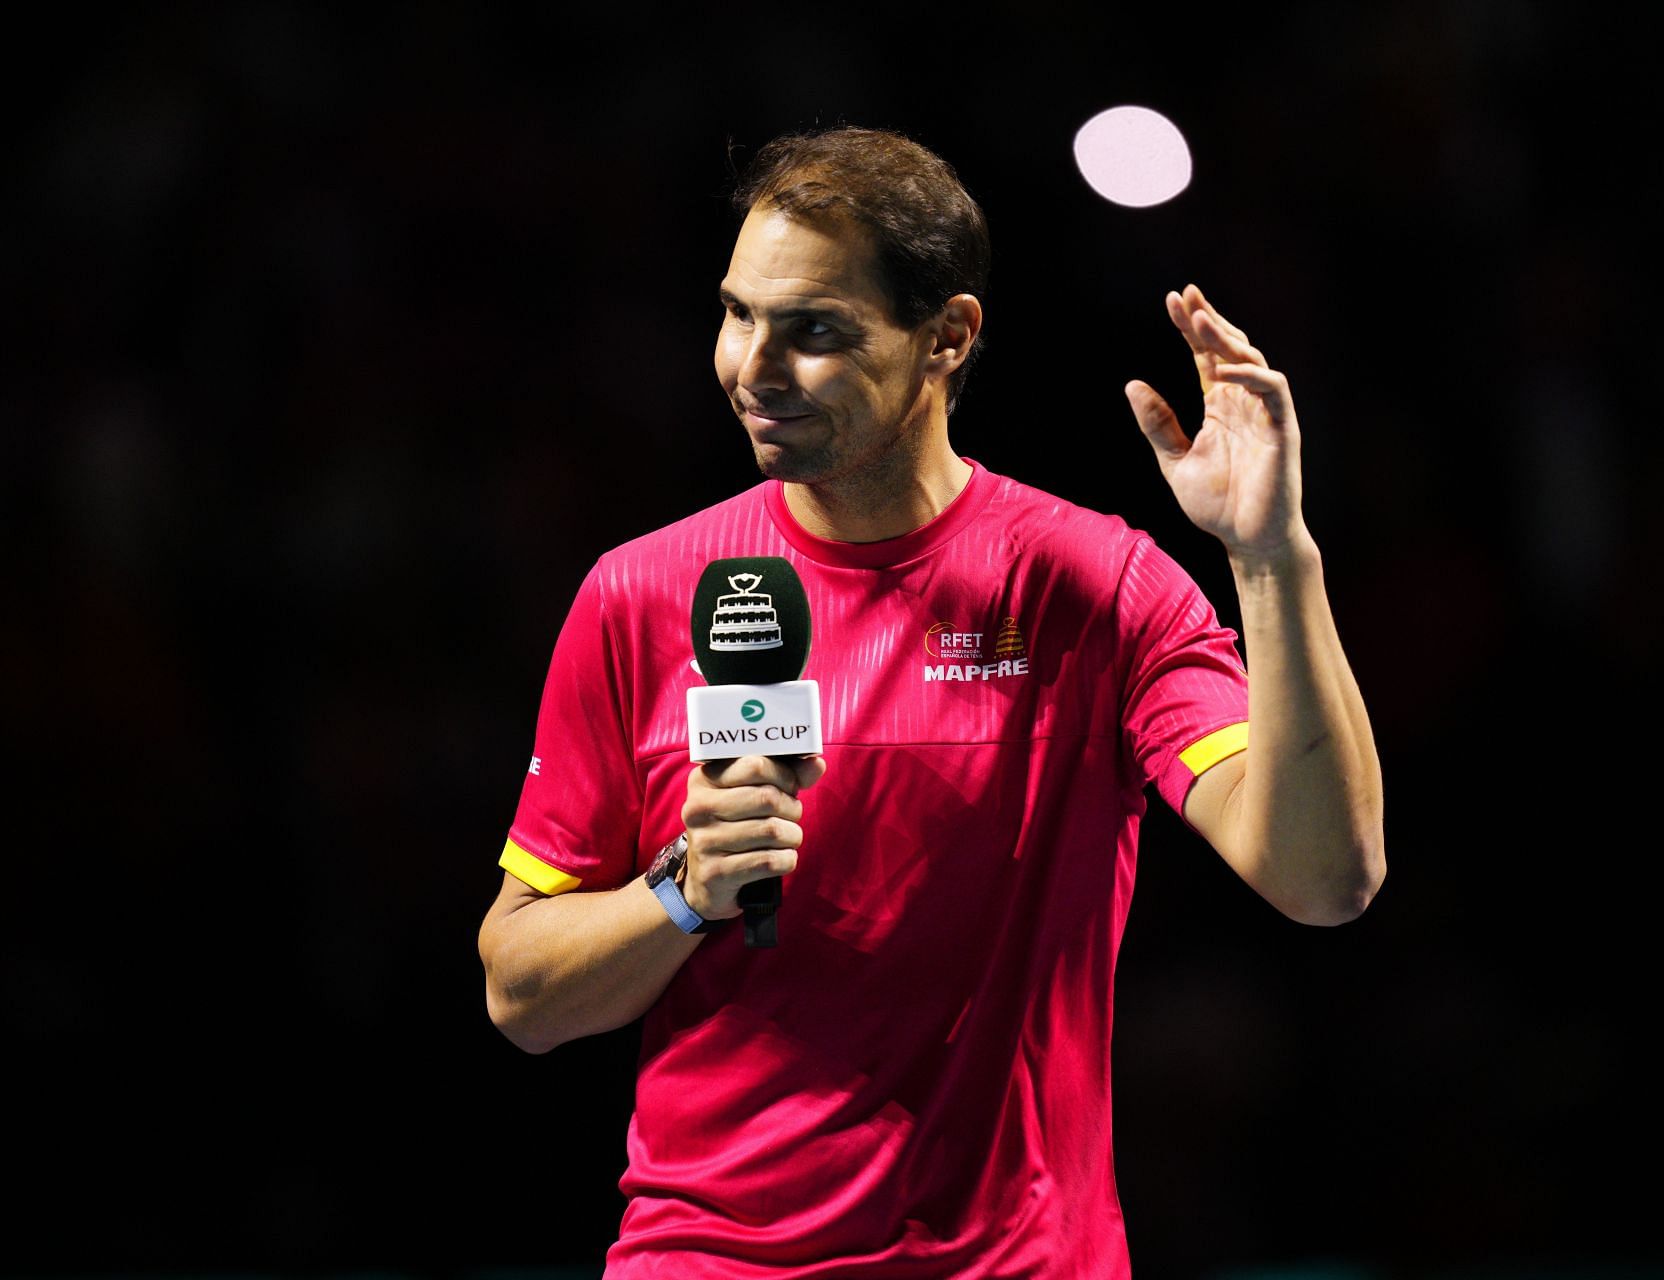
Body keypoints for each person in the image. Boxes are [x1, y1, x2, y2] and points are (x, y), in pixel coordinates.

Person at [477, 124, 1385, 1278]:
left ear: (947, 337)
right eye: (737, 313)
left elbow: (1324, 876)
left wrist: (1271, 557)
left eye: (813, 331)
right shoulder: (641, 593)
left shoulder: (1090, 584)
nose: (752, 366)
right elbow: (522, 992)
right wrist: (679, 892)